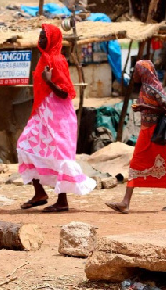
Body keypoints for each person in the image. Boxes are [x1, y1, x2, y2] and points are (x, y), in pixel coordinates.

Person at [17, 24, 97, 212]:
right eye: (40, 36)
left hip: (58, 117)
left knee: (59, 156)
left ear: (53, 39)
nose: (41, 40)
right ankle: (40, 193)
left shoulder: (57, 60)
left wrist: (49, 81)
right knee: (25, 146)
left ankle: (62, 201)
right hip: (42, 114)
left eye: (45, 37)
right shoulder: (43, 59)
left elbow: (66, 92)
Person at [106, 60, 166, 214]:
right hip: (145, 131)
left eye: (136, 71)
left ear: (143, 73)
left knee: (162, 164)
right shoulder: (144, 87)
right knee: (136, 162)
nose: (134, 74)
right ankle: (125, 203)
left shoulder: (153, 88)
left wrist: (144, 107)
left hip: (155, 132)